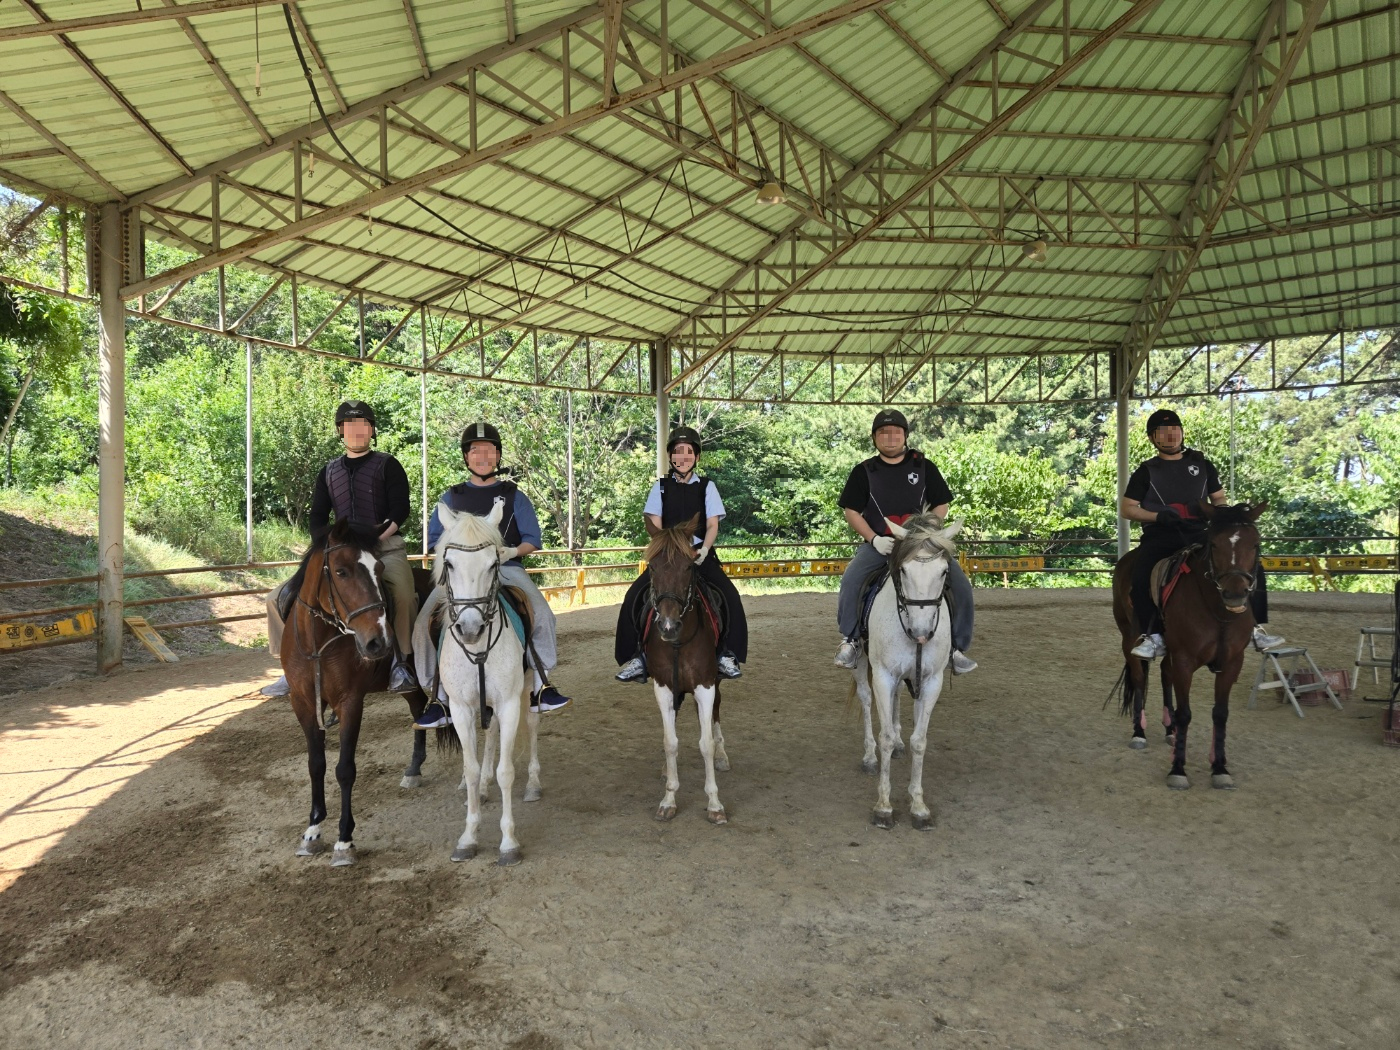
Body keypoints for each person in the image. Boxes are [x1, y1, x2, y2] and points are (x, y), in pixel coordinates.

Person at [411, 422, 571, 729]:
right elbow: (434, 542)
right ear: (466, 456)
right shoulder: (451, 498)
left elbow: (532, 539)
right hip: (461, 574)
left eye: (489, 451)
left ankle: (542, 685)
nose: (482, 457)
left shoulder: (514, 496)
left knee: (543, 614)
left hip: (506, 568)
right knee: (422, 624)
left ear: (497, 456)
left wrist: (511, 552)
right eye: (476, 451)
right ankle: (438, 697)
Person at [262, 400, 419, 697]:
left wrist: (376, 537)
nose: (356, 431)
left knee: (402, 594)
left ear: (371, 430)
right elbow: (317, 517)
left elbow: (400, 510)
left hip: (384, 547)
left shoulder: (388, 464)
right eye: (349, 426)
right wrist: (328, 546)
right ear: (340, 431)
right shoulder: (328, 471)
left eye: (362, 425)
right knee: (276, 598)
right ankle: (287, 668)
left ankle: (401, 662)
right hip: (341, 552)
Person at [1120, 407, 1283, 659]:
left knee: (1252, 567)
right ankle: (1151, 635)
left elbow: (1218, 499)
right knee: (1142, 574)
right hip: (1161, 535)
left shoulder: (1203, 466)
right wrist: (1157, 516)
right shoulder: (1146, 471)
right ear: (1152, 438)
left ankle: (1255, 628)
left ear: (1182, 432)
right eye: (1163, 431)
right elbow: (1127, 508)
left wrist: (1223, 516)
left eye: (1175, 429)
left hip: (1199, 532)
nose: (1170, 435)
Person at [833, 408, 976, 673]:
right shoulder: (863, 471)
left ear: (905, 436)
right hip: (881, 544)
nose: (890, 437)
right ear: (874, 437)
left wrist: (926, 534)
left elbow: (941, 504)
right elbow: (851, 511)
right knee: (851, 579)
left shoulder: (924, 467)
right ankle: (850, 640)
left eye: (895, 432)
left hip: (920, 546)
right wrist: (873, 539)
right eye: (883, 432)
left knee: (961, 585)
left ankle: (957, 648)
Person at [614, 425, 748, 682]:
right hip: (668, 558)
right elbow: (654, 524)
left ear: (696, 457)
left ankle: (727, 654)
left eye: (688, 452)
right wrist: (667, 548)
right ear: (670, 456)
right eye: (678, 452)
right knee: (633, 597)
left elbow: (712, 524)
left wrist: (705, 549)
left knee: (730, 595)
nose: (683, 457)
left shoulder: (707, 486)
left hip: (699, 555)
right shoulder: (661, 487)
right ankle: (637, 657)